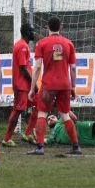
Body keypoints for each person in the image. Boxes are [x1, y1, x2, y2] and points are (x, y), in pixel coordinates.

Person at [28, 17, 81, 155]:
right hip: (64, 85)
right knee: (65, 115)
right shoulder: (69, 43)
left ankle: (40, 147)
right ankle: (76, 147)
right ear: (61, 27)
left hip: (49, 85)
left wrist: (32, 87)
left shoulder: (42, 43)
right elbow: (73, 68)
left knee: (42, 114)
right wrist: (73, 87)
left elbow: (38, 67)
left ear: (47, 27)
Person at [2, 23, 38, 147]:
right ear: (28, 32)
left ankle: (27, 133)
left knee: (39, 104)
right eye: (32, 31)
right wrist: (33, 83)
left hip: (25, 85)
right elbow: (23, 68)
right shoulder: (22, 46)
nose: (34, 33)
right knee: (17, 111)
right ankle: (6, 139)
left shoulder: (23, 45)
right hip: (21, 85)